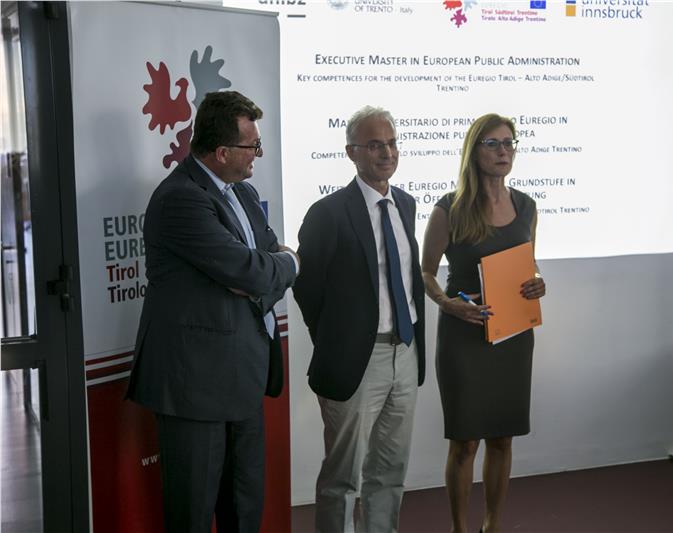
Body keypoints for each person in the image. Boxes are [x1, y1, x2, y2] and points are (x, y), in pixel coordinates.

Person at [126, 90, 299, 533]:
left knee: (245, 510)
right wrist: (288, 264)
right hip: (194, 386)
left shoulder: (244, 193)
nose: (259, 153)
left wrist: (263, 272)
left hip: (243, 376)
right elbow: (254, 270)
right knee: (193, 515)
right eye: (252, 145)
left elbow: (261, 267)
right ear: (221, 152)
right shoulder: (180, 198)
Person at [293, 105, 425, 533]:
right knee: (343, 478)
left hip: (404, 354)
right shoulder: (328, 212)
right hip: (356, 361)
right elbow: (307, 287)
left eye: (391, 143)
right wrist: (337, 341)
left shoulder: (406, 204)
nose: (386, 153)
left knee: (390, 471)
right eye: (374, 145)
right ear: (352, 152)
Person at [421, 113, 546, 533]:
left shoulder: (527, 206)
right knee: (465, 442)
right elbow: (425, 272)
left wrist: (538, 281)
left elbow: (529, 263)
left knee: (502, 437)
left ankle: (492, 526)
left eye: (509, 142)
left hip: (513, 335)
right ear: (474, 152)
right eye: (493, 143)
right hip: (464, 335)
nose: (503, 151)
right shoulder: (450, 208)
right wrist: (447, 304)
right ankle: (460, 529)